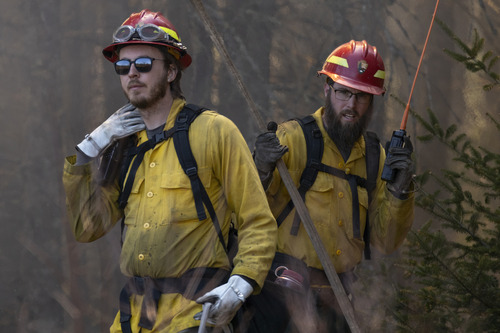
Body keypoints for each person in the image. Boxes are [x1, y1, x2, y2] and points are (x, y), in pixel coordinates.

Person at [62, 9, 277, 333]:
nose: (132, 73)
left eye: (144, 64)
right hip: (132, 318)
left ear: (173, 71)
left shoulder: (214, 132)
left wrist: (242, 282)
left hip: (196, 314)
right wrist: (86, 152)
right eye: (123, 66)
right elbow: (87, 228)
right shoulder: (123, 146)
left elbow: (257, 222)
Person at [251, 40, 415, 332]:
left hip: (337, 301)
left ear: (372, 101)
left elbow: (385, 241)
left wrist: (400, 191)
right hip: (278, 296)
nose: (351, 105)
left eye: (362, 96)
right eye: (343, 92)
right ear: (327, 89)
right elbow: (245, 212)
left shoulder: (376, 157)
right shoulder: (292, 139)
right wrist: (261, 168)